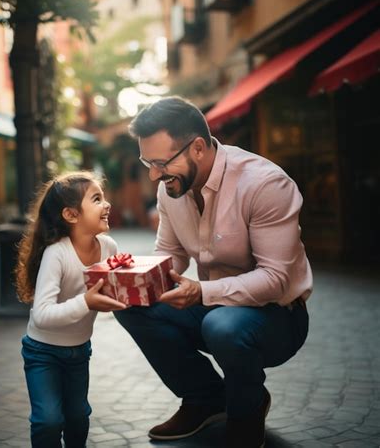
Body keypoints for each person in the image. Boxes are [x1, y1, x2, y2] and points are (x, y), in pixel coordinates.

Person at [113, 97, 312, 448]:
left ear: (199, 148)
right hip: (212, 309)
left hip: (279, 318)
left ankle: (245, 411)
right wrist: (130, 278)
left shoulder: (264, 184)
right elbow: (170, 257)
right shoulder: (170, 189)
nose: (154, 175)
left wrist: (201, 293)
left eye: (160, 163)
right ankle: (205, 399)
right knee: (131, 304)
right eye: (147, 163)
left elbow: (275, 280)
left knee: (220, 325)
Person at [15, 171, 126, 448]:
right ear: (71, 215)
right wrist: (86, 302)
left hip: (79, 351)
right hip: (43, 352)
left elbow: (119, 287)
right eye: (97, 199)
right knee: (48, 420)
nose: (107, 204)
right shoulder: (58, 254)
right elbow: (41, 315)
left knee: (79, 417)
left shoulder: (108, 247)